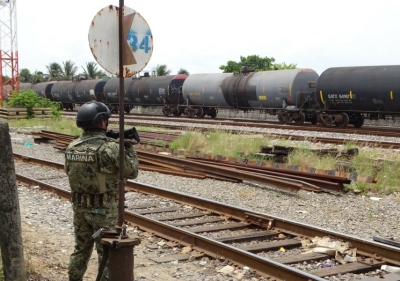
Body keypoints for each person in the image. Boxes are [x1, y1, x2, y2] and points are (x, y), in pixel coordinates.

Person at [64, 100, 139, 281]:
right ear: (101, 122)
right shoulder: (110, 148)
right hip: (104, 211)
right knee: (106, 253)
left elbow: (69, 171)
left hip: (80, 208)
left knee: (80, 249)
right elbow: (132, 171)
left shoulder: (72, 146)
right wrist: (126, 146)